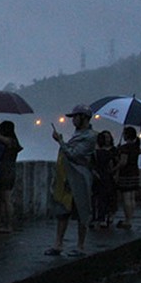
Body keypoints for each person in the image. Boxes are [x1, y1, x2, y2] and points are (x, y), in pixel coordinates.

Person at [45, 105, 97, 256]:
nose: (73, 120)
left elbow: (74, 155)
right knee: (62, 210)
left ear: (84, 118)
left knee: (82, 211)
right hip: (67, 178)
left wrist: (60, 141)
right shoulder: (78, 134)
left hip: (80, 178)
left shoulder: (91, 136)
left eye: (75, 117)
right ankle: (58, 244)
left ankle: (80, 246)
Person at [0, 120, 22, 233]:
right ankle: (6, 224)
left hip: (5, 172)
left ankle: (8, 225)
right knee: (4, 199)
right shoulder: (13, 142)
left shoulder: (10, 141)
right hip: (10, 171)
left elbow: (3, 140)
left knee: (5, 199)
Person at [114, 127, 141, 230]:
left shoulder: (125, 148)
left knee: (126, 198)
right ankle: (130, 219)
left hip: (126, 174)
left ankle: (127, 220)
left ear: (126, 135)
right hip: (135, 172)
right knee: (131, 197)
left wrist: (114, 169)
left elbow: (123, 162)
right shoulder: (136, 147)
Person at [90, 130, 117, 229]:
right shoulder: (107, 153)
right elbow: (110, 165)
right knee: (104, 198)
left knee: (95, 199)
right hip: (106, 177)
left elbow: (90, 165)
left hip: (96, 176)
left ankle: (94, 218)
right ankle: (102, 219)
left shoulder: (94, 153)